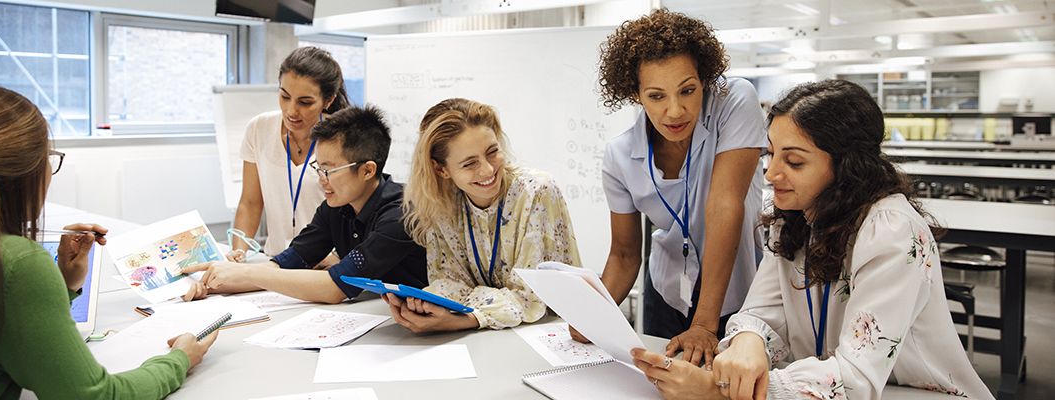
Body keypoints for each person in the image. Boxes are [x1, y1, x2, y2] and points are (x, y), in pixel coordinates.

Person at [631, 80, 994, 400]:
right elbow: (761, 313)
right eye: (771, 153)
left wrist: (717, 392)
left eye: (795, 162)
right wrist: (749, 342)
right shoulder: (796, 218)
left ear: (846, 166)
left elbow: (856, 380)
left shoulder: (891, 231)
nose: (772, 173)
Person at [0, 83, 217, 398]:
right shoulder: (13, 262)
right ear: (20, 171)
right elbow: (93, 396)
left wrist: (64, 286)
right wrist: (179, 360)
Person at [582, 9, 767, 368]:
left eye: (688, 90)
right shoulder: (620, 155)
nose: (675, 111)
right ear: (635, 94)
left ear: (705, 80)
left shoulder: (735, 102)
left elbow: (725, 205)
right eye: (656, 96)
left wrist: (703, 324)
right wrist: (593, 317)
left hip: (736, 293)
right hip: (665, 293)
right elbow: (623, 256)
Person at [181, 105, 427, 304]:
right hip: (379, 314)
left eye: (329, 170)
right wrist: (215, 281)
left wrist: (246, 272)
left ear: (367, 170)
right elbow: (285, 263)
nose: (322, 181)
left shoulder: (400, 214)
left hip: (426, 330)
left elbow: (335, 287)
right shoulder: (337, 205)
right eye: (318, 168)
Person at [389, 98, 582, 333]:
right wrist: (423, 303)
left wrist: (463, 319)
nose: (488, 170)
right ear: (441, 169)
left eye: (492, 152)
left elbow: (531, 299)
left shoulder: (535, 191)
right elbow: (450, 283)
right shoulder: (441, 204)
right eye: (469, 164)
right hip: (484, 336)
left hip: (548, 335)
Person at [228, 46, 349, 266]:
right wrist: (239, 251)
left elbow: (352, 212)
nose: (291, 111)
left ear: (328, 100)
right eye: (285, 96)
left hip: (325, 265)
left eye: (305, 102)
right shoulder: (259, 128)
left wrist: (337, 260)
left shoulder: (343, 140)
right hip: (275, 261)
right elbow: (250, 202)